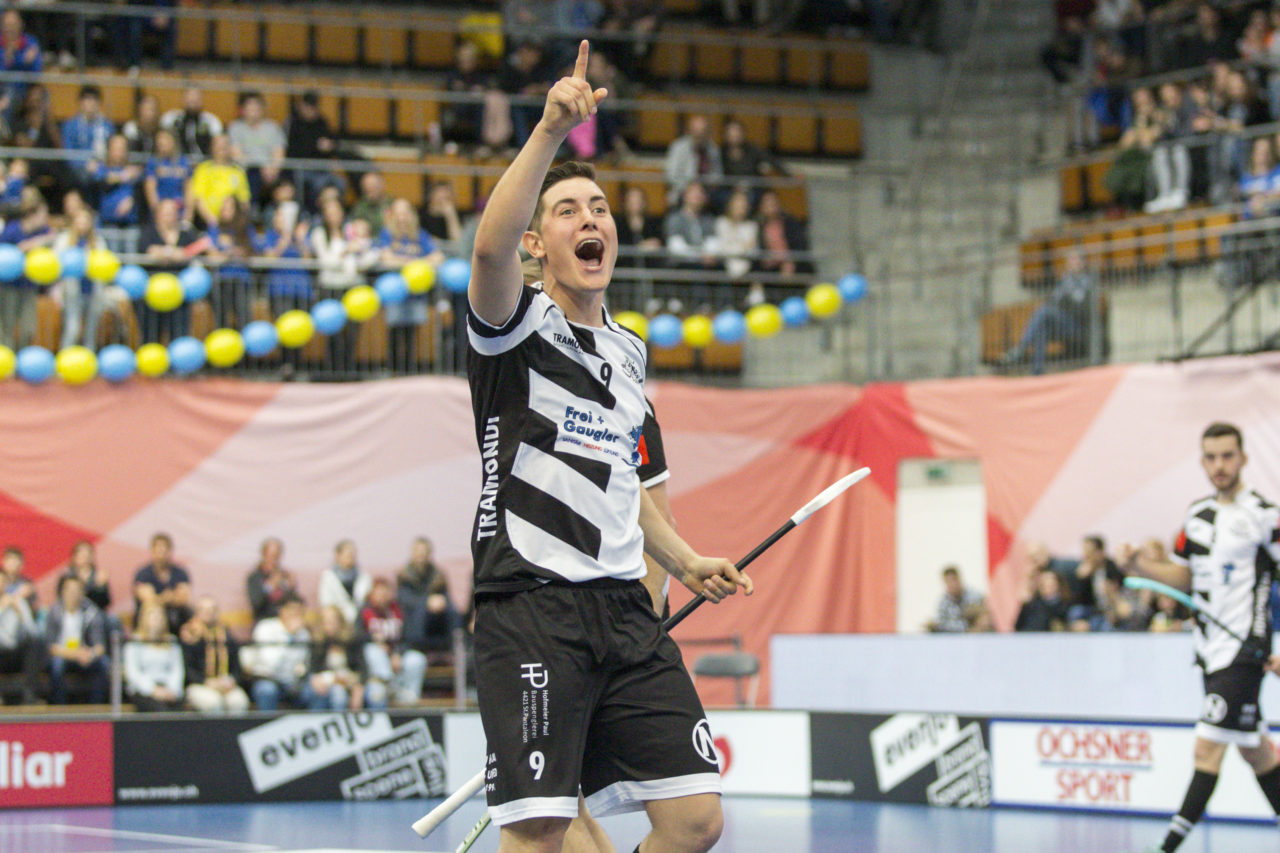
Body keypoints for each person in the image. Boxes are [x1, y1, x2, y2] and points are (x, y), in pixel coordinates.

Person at [466, 41, 749, 853]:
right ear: (537, 246)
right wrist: (552, 131)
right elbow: (487, 249)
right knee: (543, 828)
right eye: (568, 211)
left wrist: (686, 559)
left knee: (696, 816)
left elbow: (623, 481)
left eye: (599, 209)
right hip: (531, 603)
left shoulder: (627, 353)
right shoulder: (511, 330)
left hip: (626, 609)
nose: (590, 219)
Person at [1120, 422, 1280, 853]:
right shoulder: (1197, 515)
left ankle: (1166, 847)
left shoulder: (1264, 515)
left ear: (1243, 458)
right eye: (1210, 457)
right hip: (1209, 652)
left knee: (1207, 750)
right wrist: (1140, 565)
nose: (1219, 465)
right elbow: (1184, 577)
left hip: (1244, 651)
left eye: (1227, 456)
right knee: (1256, 752)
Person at [999, 249, 1097, 374]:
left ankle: (1021, 348)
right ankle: (1037, 372)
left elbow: (1080, 305)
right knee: (1042, 329)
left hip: (1078, 324)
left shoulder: (1088, 280)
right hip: (1062, 321)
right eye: (1069, 261)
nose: (1071, 263)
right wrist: (1065, 299)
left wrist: (1065, 299)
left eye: (1075, 260)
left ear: (1082, 262)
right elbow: (1055, 299)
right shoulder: (1065, 279)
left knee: (1044, 311)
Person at [357, 577, 426, 708]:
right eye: (378, 593)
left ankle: (410, 694)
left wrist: (397, 653)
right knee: (372, 650)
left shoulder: (399, 610)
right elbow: (356, 638)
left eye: (385, 593)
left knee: (417, 659)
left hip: (396, 657)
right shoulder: (364, 612)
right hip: (375, 672)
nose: (382, 597)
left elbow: (409, 637)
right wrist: (373, 639)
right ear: (371, 594)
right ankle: (389, 685)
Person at [45, 574, 109, 705]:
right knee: (57, 665)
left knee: (104, 663)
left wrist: (90, 654)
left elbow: (100, 646)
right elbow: (51, 647)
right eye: (69, 590)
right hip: (63, 655)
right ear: (62, 592)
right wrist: (75, 654)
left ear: (83, 592)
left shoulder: (91, 612)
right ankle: (59, 706)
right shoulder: (54, 612)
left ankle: (96, 706)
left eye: (77, 590)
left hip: (86, 656)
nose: (73, 594)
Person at [179, 595, 249, 713]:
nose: (209, 613)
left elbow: (237, 667)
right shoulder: (190, 635)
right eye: (205, 610)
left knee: (238, 701)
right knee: (213, 703)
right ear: (198, 612)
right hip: (200, 684)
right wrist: (207, 682)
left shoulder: (226, 635)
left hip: (226, 684)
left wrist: (231, 681)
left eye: (212, 610)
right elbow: (188, 670)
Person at [244, 596, 312, 711]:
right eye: (293, 610)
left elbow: (305, 664)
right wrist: (289, 636)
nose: (296, 614)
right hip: (268, 679)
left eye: (300, 611)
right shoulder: (266, 628)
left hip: (293, 682)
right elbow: (272, 664)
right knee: (267, 691)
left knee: (314, 692)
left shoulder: (303, 634)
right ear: (282, 610)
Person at [396, 537, 459, 654]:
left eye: (424, 551)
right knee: (420, 611)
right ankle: (418, 645)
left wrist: (441, 602)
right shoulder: (404, 576)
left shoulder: (438, 576)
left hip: (436, 617)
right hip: (413, 619)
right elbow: (405, 600)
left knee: (453, 611)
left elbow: (446, 597)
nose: (421, 555)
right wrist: (427, 602)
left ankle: (455, 645)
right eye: (418, 551)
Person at [228, 91, 286, 207]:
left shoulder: (272, 127)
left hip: (270, 170)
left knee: (287, 181)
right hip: (247, 169)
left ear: (262, 109)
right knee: (252, 176)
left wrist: (273, 169)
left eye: (256, 106)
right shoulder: (235, 127)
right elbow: (236, 154)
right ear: (243, 109)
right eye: (250, 107)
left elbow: (279, 153)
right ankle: (252, 210)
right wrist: (256, 165)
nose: (253, 110)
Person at [124, 604, 185, 712]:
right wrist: (153, 690)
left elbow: (177, 670)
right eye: (153, 615)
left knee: (179, 711)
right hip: (143, 690)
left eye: (160, 616)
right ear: (144, 618)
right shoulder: (134, 642)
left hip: (169, 688)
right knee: (160, 710)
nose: (157, 619)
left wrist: (172, 690)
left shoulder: (171, 641)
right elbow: (133, 673)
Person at [186, 134, 251, 231]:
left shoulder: (238, 172)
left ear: (230, 147)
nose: (222, 147)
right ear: (212, 147)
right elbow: (198, 199)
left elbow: (244, 201)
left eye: (225, 144)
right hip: (207, 223)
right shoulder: (203, 169)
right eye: (218, 144)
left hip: (233, 225)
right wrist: (214, 222)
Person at [132, 532, 193, 635]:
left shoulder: (180, 573)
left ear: (171, 551)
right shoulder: (143, 574)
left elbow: (184, 598)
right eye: (159, 550)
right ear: (152, 551)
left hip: (177, 623)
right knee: (152, 611)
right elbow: (148, 600)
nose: (162, 554)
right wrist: (167, 598)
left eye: (165, 550)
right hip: (150, 625)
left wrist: (159, 598)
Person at [308, 605, 366, 711]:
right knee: (336, 694)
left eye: (332, 621)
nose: (329, 625)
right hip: (326, 683)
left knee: (375, 693)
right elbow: (313, 670)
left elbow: (362, 668)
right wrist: (316, 679)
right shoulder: (318, 642)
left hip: (349, 681)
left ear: (340, 622)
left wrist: (358, 686)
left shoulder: (352, 641)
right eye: (326, 622)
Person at [0, 554, 39, 704]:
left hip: (16, 654)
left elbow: (33, 632)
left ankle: (29, 695)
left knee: (35, 644)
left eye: (3, 582)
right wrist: (2, 609)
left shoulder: (18, 602)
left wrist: (19, 612)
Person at [61, 86, 116, 190]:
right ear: (80, 103)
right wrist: (85, 164)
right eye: (87, 99)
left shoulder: (107, 125)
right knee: (84, 177)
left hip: (103, 167)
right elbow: (68, 154)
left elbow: (112, 151)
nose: (91, 103)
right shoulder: (70, 126)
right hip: (79, 169)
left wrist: (101, 164)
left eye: (95, 99)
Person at [664, 114, 722, 206]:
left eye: (703, 132)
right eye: (696, 131)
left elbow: (718, 176)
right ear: (689, 131)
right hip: (682, 192)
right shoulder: (678, 147)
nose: (699, 135)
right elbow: (671, 176)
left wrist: (704, 192)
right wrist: (690, 191)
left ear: (708, 133)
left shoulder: (713, 149)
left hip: (707, 194)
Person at [318, 539, 372, 626]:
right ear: (338, 555)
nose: (351, 558)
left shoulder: (363, 577)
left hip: (360, 621)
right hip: (339, 622)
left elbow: (366, 601)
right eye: (347, 555)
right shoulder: (328, 577)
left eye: (353, 555)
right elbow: (326, 602)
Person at [246, 537, 299, 622]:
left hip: (286, 621)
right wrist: (269, 587)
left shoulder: (284, 576)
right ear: (264, 555)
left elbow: (296, 603)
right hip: (266, 622)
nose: (274, 560)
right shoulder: (255, 577)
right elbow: (256, 604)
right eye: (272, 555)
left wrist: (292, 588)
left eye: (277, 556)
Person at [161, 87, 223, 158]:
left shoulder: (211, 121)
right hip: (177, 163)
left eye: (196, 98)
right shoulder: (172, 119)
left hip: (204, 163)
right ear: (183, 99)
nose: (193, 100)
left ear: (202, 100)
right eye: (189, 97)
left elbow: (218, 142)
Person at [925, 566, 986, 633]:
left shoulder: (974, 596)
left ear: (959, 579)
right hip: (954, 638)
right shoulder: (943, 602)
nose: (951, 584)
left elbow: (985, 617)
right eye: (948, 581)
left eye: (953, 580)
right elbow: (941, 623)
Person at [61, 540, 111, 613]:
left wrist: (101, 588)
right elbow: (61, 600)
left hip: (94, 615)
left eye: (88, 554)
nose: (85, 557)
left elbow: (106, 603)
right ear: (74, 557)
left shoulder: (99, 576)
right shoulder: (66, 576)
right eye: (82, 554)